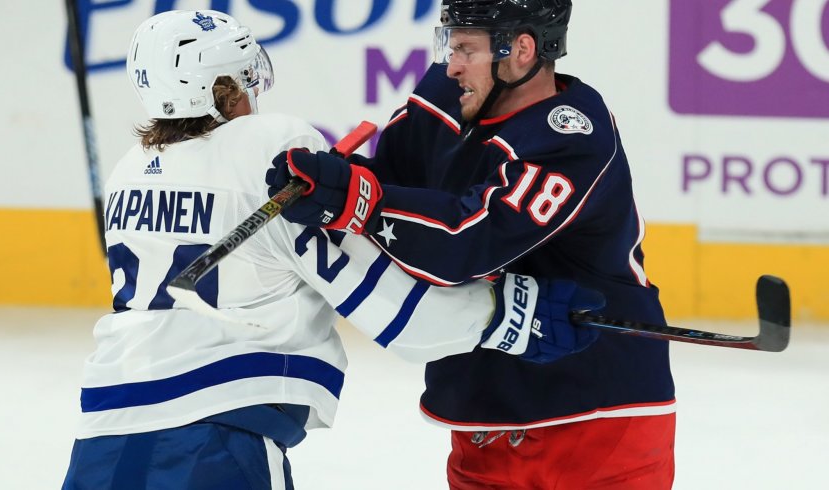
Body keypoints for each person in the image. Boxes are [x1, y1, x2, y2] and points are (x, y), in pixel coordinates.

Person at [62, 9, 603, 490]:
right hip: (210, 436)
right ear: (223, 89)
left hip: (99, 438)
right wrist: (506, 315)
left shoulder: (131, 170)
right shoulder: (266, 145)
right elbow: (389, 305)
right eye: (244, 81)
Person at [266, 1, 677, 488]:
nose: (451, 64)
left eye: (466, 48)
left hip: (596, 413)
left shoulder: (571, 133)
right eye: (449, 44)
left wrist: (354, 198)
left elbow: (464, 243)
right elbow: (395, 188)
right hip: (483, 411)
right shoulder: (445, 95)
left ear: (522, 49)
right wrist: (330, 184)